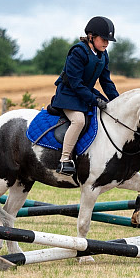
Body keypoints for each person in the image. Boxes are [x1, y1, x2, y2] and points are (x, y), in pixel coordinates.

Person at [51, 16, 120, 175]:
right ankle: (64, 160)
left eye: (108, 40)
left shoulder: (103, 55)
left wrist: (117, 102)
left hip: (85, 93)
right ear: (91, 36)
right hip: (68, 95)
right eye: (103, 39)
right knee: (79, 121)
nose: (106, 43)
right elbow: (75, 84)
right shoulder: (78, 52)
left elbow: (106, 82)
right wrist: (94, 100)